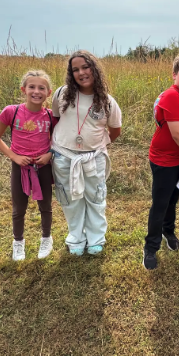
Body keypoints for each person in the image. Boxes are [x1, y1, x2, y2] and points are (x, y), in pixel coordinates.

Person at [51, 50, 122, 256]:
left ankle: (96, 239)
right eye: (75, 69)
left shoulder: (107, 102)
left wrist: (98, 146)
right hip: (64, 156)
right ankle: (76, 237)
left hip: (94, 157)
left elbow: (115, 130)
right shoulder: (62, 94)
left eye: (85, 67)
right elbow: (55, 120)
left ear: (94, 69)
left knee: (95, 197)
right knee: (70, 200)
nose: (81, 72)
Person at [0, 70, 57, 261]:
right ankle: (18, 242)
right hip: (20, 167)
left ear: (49, 92)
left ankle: (46, 238)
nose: (36, 91)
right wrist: (15, 157)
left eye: (41, 88)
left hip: (43, 166)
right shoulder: (12, 111)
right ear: (24, 90)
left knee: (45, 205)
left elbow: (59, 141)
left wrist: (49, 154)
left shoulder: (51, 116)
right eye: (32, 87)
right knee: (19, 208)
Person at [143, 53, 179, 270]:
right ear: (174, 75)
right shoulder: (171, 95)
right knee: (160, 203)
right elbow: (176, 133)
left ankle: (168, 231)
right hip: (163, 159)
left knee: (173, 199)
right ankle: (150, 247)